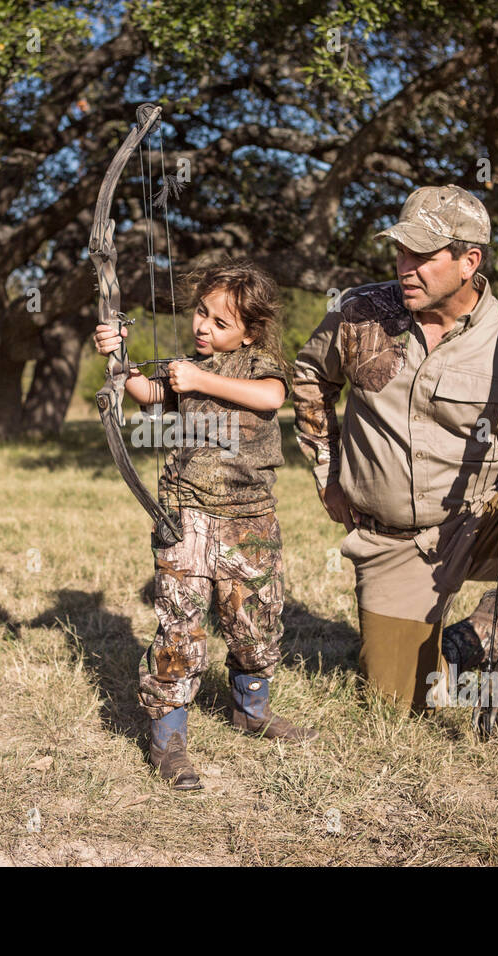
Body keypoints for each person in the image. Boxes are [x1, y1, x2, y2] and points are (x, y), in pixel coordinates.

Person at [292, 185, 498, 775]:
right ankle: (471, 640)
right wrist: (327, 471)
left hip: (483, 517)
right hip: (394, 539)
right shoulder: (359, 312)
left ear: (470, 262)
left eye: (423, 255)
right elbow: (310, 377)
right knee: (393, 704)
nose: (405, 268)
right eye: (401, 253)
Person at [93, 259, 317, 791]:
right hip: (185, 516)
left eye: (220, 322)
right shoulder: (184, 367)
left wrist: (199, 377)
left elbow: (271, 397)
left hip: (248, 520)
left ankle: (251, 710)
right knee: (180, 628)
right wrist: (118, 358)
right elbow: (148, 395)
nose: (203, 327)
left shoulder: (259, 365)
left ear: (249, 330)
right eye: (200, 313)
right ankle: (168, 738)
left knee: (254, 625)